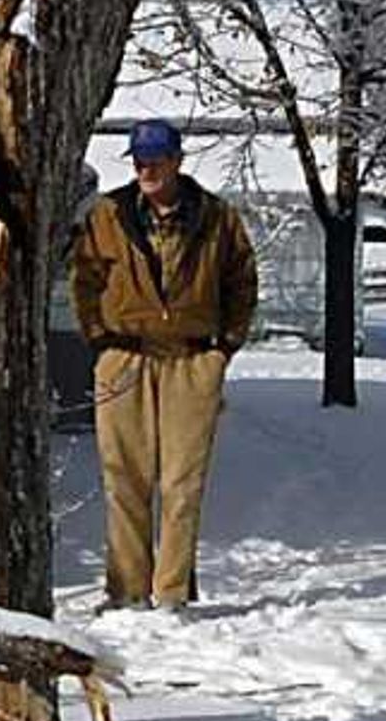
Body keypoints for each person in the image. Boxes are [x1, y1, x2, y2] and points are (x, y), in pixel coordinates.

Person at [70, 117, 258, 610]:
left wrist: (224, 348)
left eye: (155, 160)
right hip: (124, 357)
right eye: (139, 161)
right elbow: (84, 280)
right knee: (123, 478)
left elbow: (242, 282)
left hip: (192, 359)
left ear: (177, 160)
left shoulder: (217, 218)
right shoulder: (108, 215)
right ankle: (127, 591)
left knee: (182, 483)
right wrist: (99, 339)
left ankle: (171, 594)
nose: (146, 169)